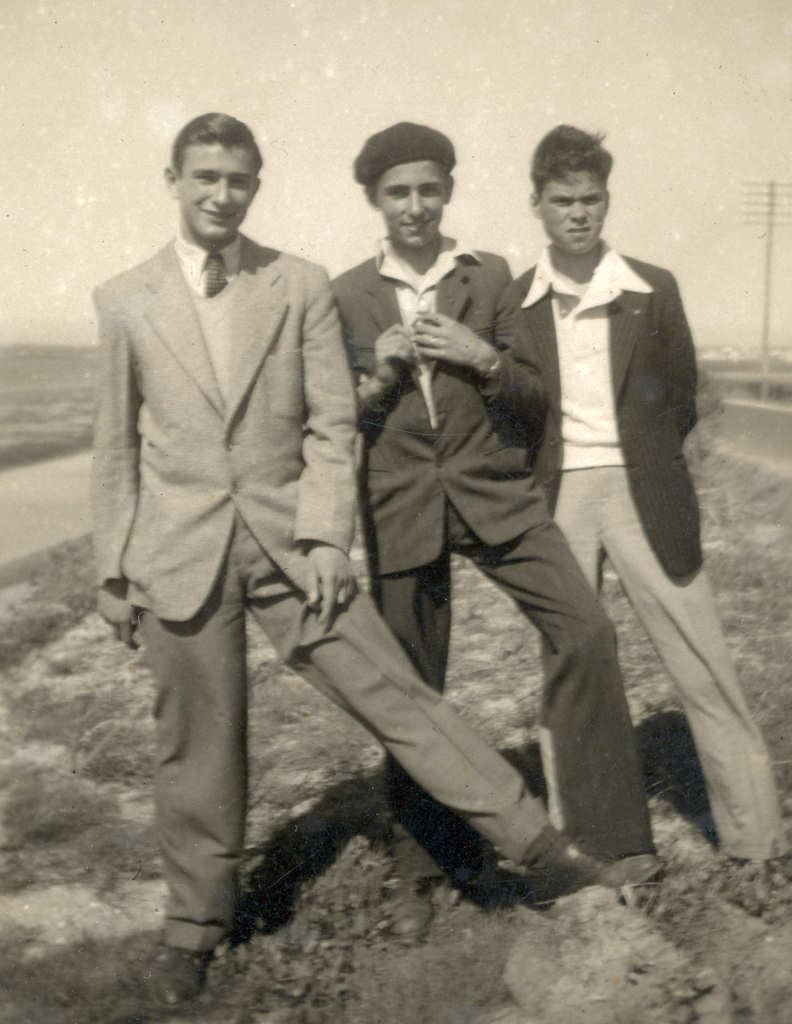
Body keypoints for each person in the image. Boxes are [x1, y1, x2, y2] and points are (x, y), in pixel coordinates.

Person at [91, 113, 645, 1008]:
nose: (222, 195)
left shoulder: (299, 283)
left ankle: (537, 851)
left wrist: (324, 538)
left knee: (404, 699)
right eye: (205, 178)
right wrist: (112, 573)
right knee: (198, 751)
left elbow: (330, 422)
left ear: (256, 185)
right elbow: (115, 446)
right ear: (175, 181)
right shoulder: (123, 299)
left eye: (238, 179)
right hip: (177, 558)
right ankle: (193, 931)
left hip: (296, 553)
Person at [332, 121, 659, 936]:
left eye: (429, 189)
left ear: (448, 191)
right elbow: (334, 419)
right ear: (374, 199)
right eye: (398, 192)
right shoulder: (344, 293)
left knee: (586, 631)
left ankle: (610, 837)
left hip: (495, 498)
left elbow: (533, 396)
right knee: (413, 690)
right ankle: (420, 870)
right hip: (401, 506)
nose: (415, 206)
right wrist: (378, 375)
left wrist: (480, 355)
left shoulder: (491, 278)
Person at [509, 123, 788, 912]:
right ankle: (587, 848)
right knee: (569, 670)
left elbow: (683, 395)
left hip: (645, 495)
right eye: (561, 200)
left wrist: (652, 466)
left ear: (607, 200)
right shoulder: (516, 300)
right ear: (537, 205)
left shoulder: (650, 287)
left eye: (591, 199)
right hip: (559, 501)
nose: (578, 213)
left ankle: (757, 843)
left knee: (703, 660)